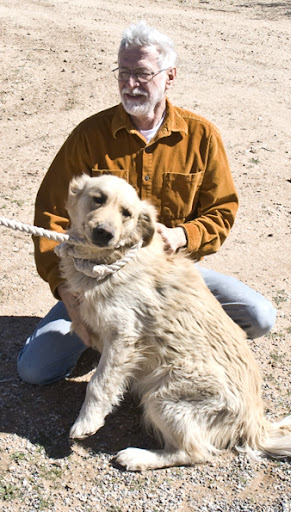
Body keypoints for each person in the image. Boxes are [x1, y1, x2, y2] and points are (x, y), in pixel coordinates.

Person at [17, 20, 276, 386]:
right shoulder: (89, 136)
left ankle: (156, 342)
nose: (130, 84)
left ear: (169, 76)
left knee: (259, 315)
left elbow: (222, 210)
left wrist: (182, 236)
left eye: (142, 73)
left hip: (169, 277)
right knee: (35, 370)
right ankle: (111, 339)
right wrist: (69, 295)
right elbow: (50, 215)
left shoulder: (201, 136)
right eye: (123, 73)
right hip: (95, 282)